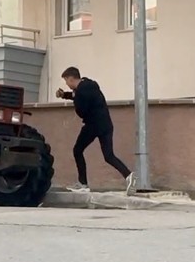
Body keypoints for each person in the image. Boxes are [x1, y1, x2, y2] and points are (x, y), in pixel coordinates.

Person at [56, 66, 137, 195]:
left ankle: (83, 184)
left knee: (77, 150)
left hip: (93, 125)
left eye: (66, 81)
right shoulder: (88, 85)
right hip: (106, 124)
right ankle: (129, 175)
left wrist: (75, 100)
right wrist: (64, 95)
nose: (66, 84)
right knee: (109, 156)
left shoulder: (81, 91)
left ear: (71, 79)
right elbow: (78, 95)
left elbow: (81, 111)